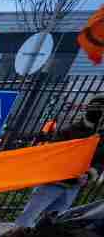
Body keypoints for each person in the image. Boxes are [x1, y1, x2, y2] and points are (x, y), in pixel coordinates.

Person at [11, 95, 104, 229]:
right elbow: (55, 154)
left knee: (54, 219)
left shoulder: (100, 136)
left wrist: (89, 174)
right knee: (30, 214)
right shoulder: (69, 131)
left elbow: (101, 160)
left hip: (74, 186)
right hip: (53, 182)